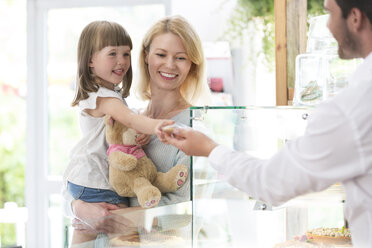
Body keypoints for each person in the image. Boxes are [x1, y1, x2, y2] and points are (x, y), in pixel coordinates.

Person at [162, 0, 372, 247]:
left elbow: (271, 182)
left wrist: (210, 148)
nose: (328, 25)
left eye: (329, 14)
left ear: (355, 18)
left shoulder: (354, 105)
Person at [68, 15, 211, 245]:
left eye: (181, 58)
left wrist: (109, 216)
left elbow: (185, 213)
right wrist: (79, 206)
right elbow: (86, 169)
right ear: (146, 57)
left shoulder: (194, 130)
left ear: (192, 64)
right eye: (161, 54)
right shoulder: (124, 119)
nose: (170, 65)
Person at [62, 20, 174, 245]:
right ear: (90, 60)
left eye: (126, 53)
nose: (122, 61)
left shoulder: (101, 94)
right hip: (99, 185)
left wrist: (142, 131)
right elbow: (130, 119)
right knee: (126, 239)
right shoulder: (105, 97)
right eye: (112, 53)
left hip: (83, 183)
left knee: (83, 240)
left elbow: (125, 125)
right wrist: (160, 126)